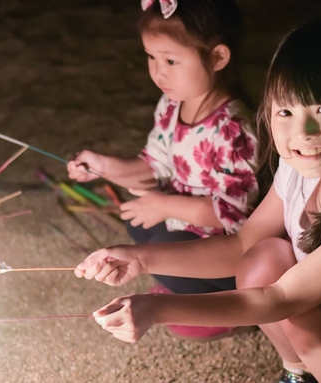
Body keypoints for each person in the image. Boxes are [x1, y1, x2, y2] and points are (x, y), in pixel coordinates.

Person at [74, 19, 321, 383]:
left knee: (303, 308)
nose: (303, 133)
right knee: (263, 259)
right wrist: (140, 258)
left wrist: (156, 309)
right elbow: (242, 245)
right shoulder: (300, 168)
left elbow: (280, 298)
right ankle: (297, 374)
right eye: (286, 111)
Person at [67, 0, 260, 341]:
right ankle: (188, 290)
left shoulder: (233, 128)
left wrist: (164, 205)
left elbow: (232, 211)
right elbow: (152, 167)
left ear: (217, 58)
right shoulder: (173, 105)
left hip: (228, 251)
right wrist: (103, 167)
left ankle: (228, 310)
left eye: (171, 60)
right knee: (137, 218)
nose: (158, 72)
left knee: (160, 238)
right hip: (186, 225)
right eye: (151, 57)